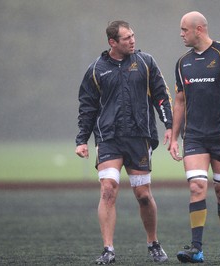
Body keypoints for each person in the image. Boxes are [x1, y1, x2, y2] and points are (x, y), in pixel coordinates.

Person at [75, 20, 172, 265]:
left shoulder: (146, 63)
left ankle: (153, 243)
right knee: (108, 189)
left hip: (139, 137)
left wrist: (169, 126)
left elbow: (162, 96)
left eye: (133, 36)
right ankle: (108, 249)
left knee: (142, 194)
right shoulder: (96, 69)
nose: (132, 40)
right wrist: (82, 140)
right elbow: (87, 107)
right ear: (112, 42)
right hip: (109, 138)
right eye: (126, 37)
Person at [169, 11, 220, 263]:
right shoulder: (182, 63)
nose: (181, 34)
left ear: (199, 29)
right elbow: (179, 101)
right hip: (194, 137)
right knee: (196, 186)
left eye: (184, 30)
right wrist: (172, 135)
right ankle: (196, 248)